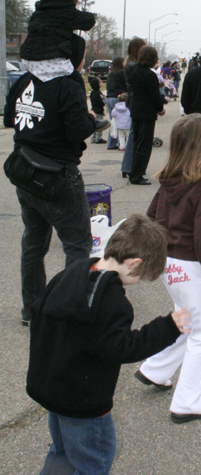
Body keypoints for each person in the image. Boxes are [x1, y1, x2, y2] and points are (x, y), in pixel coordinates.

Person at [26, 214, 191, 475]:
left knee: (62, 447)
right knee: (95, 459)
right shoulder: (111, 301)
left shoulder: (77, 269)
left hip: (52, 385)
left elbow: (40, 313)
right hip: (83, 399)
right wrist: (168, 327)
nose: (138, 281)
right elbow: (123, 347)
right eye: (142, 275)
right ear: (133, 263)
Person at [3, 35, 97, 326]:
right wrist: (92, 118)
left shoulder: (25, 79)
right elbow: (76, 130)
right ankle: (70, 312)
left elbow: (9, 118)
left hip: (25, 171)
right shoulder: (69, 84)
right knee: (77, 247)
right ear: (73, 57)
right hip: (59, 175)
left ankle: (31, 310)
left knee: (33, 244)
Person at [136, 115, 201, 422]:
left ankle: (155, 370)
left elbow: (150, 217)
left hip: (168, 265)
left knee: (185, 320)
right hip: (191, 268)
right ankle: (187, 401)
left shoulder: (168, 179)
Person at [20, 0, 95, 72]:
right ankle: (74, 76)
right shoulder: (67, 13)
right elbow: (89, 21)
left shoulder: (38, 12)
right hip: (54, 61)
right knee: (79, 42)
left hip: (29, 59)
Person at [129, 46, 165, 186]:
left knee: (137, 143)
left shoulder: (135, 71)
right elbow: (155, 96)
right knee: (145, 145)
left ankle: (134, 171)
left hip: (136, 111)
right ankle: (137, 175)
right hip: (147, 113)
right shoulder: (150, 75)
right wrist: (160, 108)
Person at [121, 38, 146, 178]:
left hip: (132, 99)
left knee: (134, 134)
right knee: (134, 135)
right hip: (135, 100)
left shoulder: (129, 63)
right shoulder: (132, 66)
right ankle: (128, 165)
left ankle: (129, 165)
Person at [105, 57, 127, 149]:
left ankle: (111, 143)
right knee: (122, 121)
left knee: (113, 122)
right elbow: (126, 85)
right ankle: (122, 143)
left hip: (109, 98)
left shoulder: (110, 74)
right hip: (118, 98)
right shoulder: (122, 73)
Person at [89, 77, 107, 144]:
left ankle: (93, 138)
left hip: (93, 110)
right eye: (100, 82)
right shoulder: (99, 93)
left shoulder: (92, 93)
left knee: (94, 125)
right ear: (98, 84)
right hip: (99, 111)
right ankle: (98, 138)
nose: (101, 83)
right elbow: (102, 102)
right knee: (100, 125)